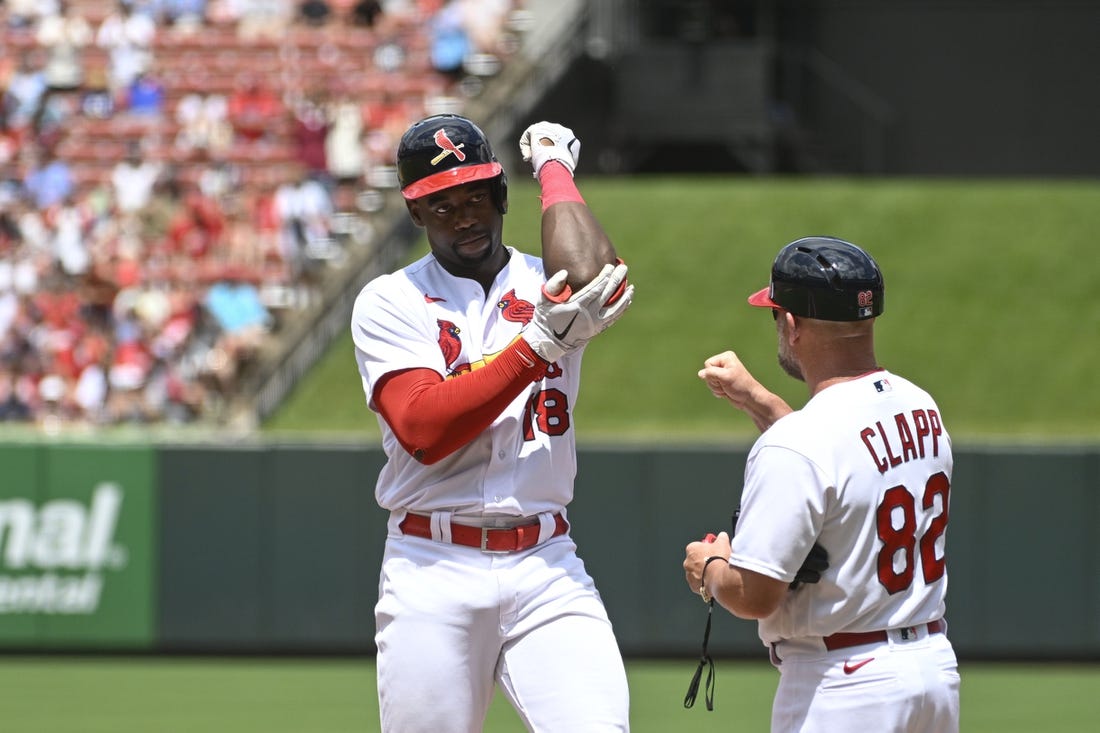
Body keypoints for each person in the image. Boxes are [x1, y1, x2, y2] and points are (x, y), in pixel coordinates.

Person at [350, 114, 634, 732]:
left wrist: (555, 166)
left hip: (546, 560)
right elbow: (423, 428)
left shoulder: (541, 280)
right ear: (417, 214)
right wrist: (536, 347)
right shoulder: (389, 300)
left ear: (501, 195)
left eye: (476, 195)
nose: (465, 216)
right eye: (442, 204)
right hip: (432, 563)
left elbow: (594, 279)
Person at [683, 236, 959, 732]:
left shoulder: (799, 443)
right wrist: (759, 401)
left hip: (845, 686)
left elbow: (754, 596)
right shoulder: (922, 406)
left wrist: (711, 569)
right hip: (934, 672)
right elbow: (844, 463)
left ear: (791, 324)